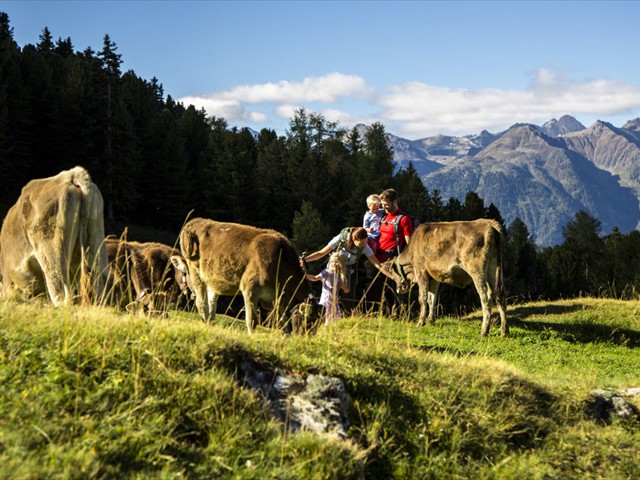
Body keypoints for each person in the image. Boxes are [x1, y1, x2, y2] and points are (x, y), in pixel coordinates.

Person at [301, 226, 400, 308]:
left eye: (365, 242)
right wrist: (304, 260)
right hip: (333, 269)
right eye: (361, 243)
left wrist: (393, 277)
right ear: (354, 239)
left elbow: (377, 264)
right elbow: (320, 253)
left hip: (349, 272)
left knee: (348, 300)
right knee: (328, 296)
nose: (363, 245)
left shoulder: (365, 246)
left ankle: (345, 319)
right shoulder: (341, 238)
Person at [306, 252, 349, 323]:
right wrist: (306, 275)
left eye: (336, 262)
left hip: (334, 303)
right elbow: (315, 278)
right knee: (324, 320)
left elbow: (347, 290)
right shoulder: (326, 273)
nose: (334, 264)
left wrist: (343, 286)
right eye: (332, 262)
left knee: (335, 322)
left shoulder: (341, 276)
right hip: (325, 301)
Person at [376, 188, 414, 263]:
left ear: (395, 202)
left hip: (391, 262)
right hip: (376, 260)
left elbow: (410, 244)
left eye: (386, 204)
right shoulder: (383, 217)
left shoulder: (404, 219)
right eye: (382, 204)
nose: (383, 207)